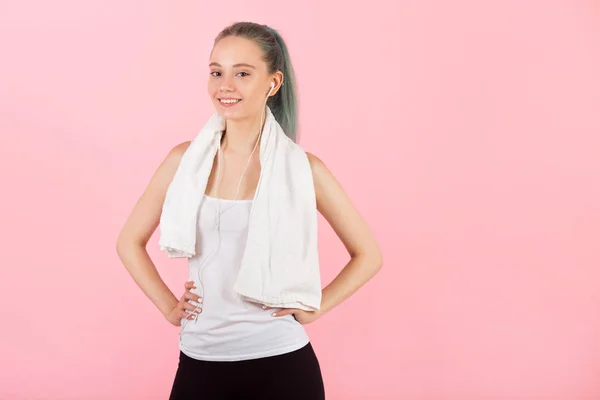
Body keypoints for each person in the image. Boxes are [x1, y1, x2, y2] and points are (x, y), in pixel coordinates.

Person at [116, 21, 383, 400]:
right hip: (200, 359)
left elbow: (369, 255)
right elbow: (128, 241)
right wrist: (167, 306)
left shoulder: (305, 170)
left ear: (273, 83)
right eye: (216, 72)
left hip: (282, 363)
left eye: (242, 73)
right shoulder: (183, 161)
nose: (225, 85)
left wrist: (315, 307)